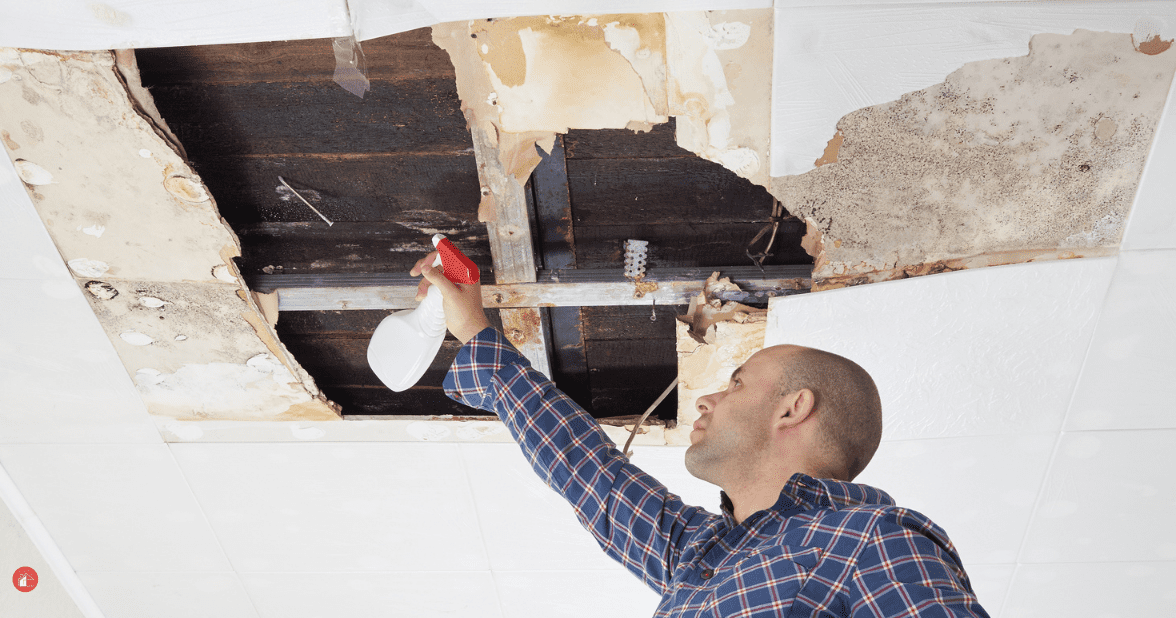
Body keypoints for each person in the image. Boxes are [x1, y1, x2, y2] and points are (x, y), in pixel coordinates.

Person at [412, 253, 990, 617]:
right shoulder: (703, 554)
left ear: (793, 409)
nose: (708, 398)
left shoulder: (870, 542)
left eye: (736, 383)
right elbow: (589, 472)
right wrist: (475, 333)